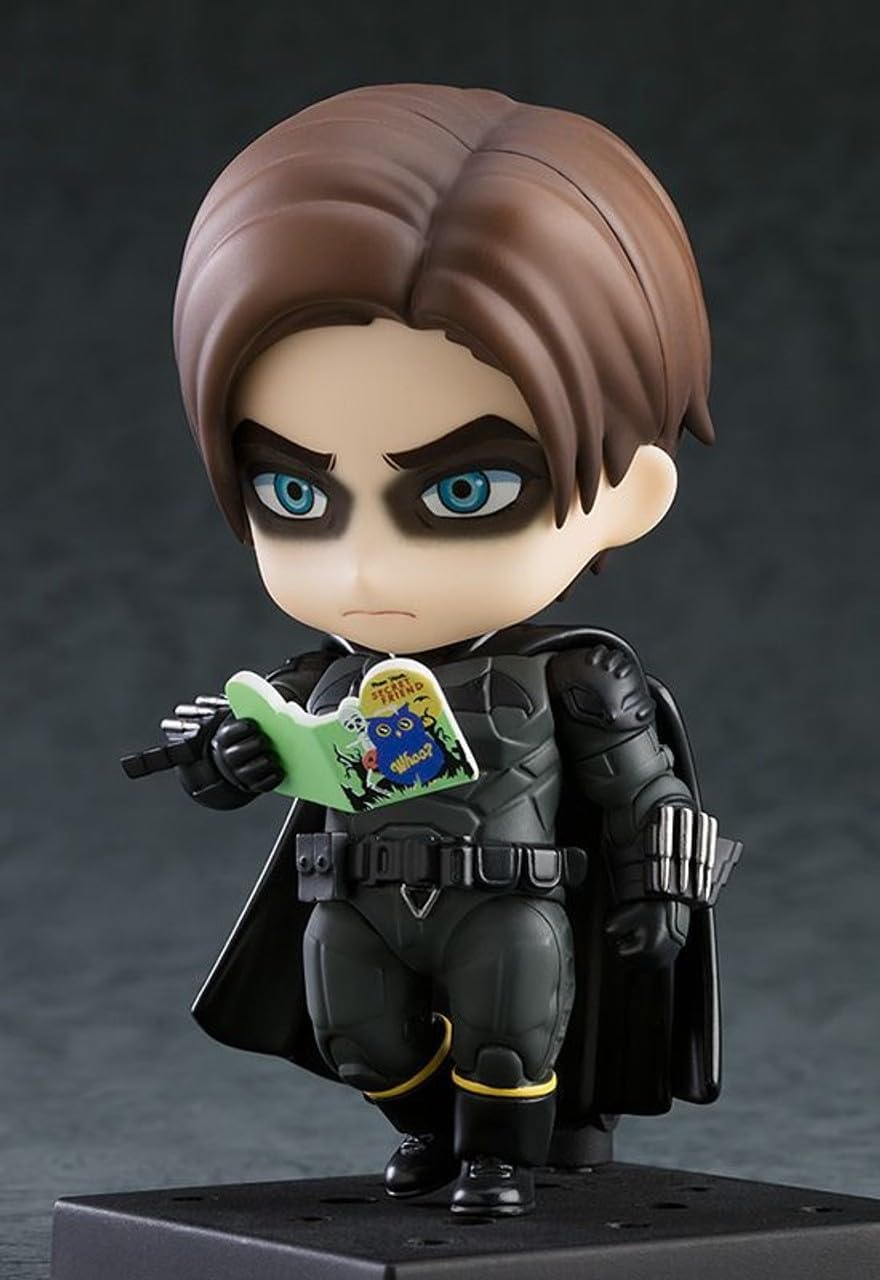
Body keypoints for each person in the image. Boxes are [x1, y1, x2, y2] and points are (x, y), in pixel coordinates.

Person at [151, 84, 740, 1218]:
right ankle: (434, 1132)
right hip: (356, 895)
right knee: (356, 1036)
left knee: (512, 1034)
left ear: (626, 495)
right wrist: (229, 753)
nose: (364, 568)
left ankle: (499, 1156)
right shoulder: (325, 677)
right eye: (293, 492)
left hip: (508, 898)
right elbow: (244, 758)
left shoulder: (574, 674)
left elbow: (646, 795)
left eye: (464, 491)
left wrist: (661, 889)